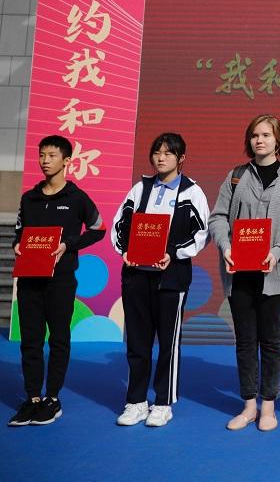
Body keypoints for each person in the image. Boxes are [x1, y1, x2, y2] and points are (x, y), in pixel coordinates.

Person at [208, 115, 280, 432]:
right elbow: (218, 217)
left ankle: (269, 406)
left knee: (272, 341)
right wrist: (226, 246)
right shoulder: (236, 176)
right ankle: (249, 405)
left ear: (278, 140)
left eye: (266, 135)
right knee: (245, 341)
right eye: (254, 135)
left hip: (277, 273)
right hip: (239, 273)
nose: (259, 140)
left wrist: (277, 251)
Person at [111, 132, 209, 427]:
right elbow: (120, 224)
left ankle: (163, 403)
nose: (161, 157)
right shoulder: (140, 188)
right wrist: (125, 251)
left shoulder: (192, 192)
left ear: (181, 158)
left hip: (171, 278)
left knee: (168, 343)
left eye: (168, 153)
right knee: (137, 341)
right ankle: (136, 401)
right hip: (136, 276)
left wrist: (173, 253)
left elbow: (201, 232)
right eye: (157, 152)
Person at [8, 135, 106, 427]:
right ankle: (32, 398)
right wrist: (17, 244)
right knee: (30, 340)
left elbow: (99, 228)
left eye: (51, 155)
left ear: (66, 161)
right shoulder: (29, 198)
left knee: (59, 339)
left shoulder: (76, 198)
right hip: (29, 280)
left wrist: (69, 244)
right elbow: (19, 231)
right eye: (42, 155)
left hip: (60, 282)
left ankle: (52, 398)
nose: (45, 161)